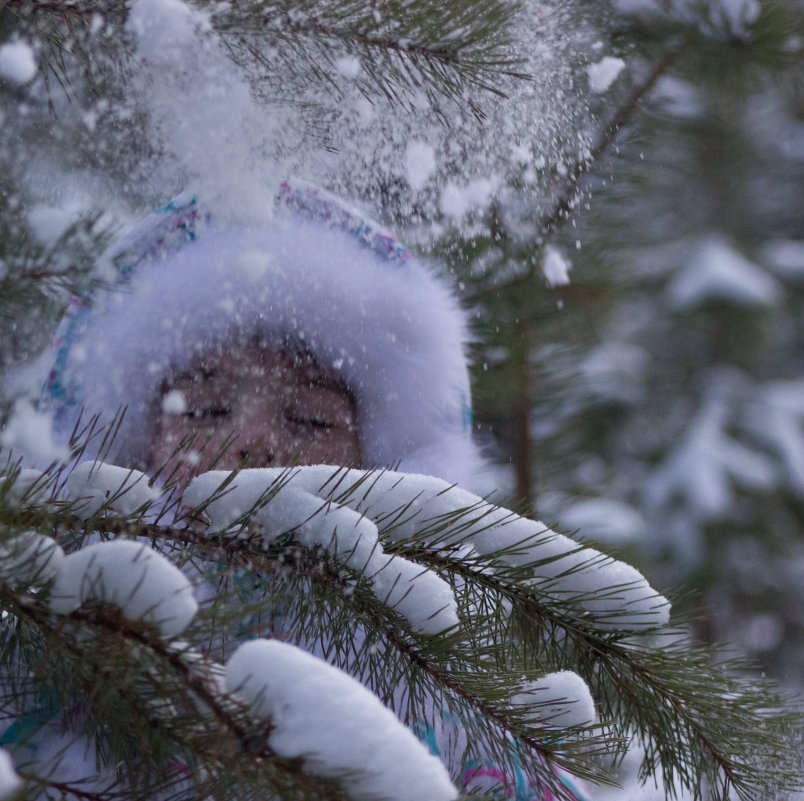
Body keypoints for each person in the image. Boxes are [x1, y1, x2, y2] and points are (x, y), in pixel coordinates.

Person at [29, 179, 589, 800]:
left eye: (311, 420)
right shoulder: (67, 643)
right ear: (136, 445)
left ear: (377, 464)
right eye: (207, 410)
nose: (254, 442)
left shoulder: (423, 673)